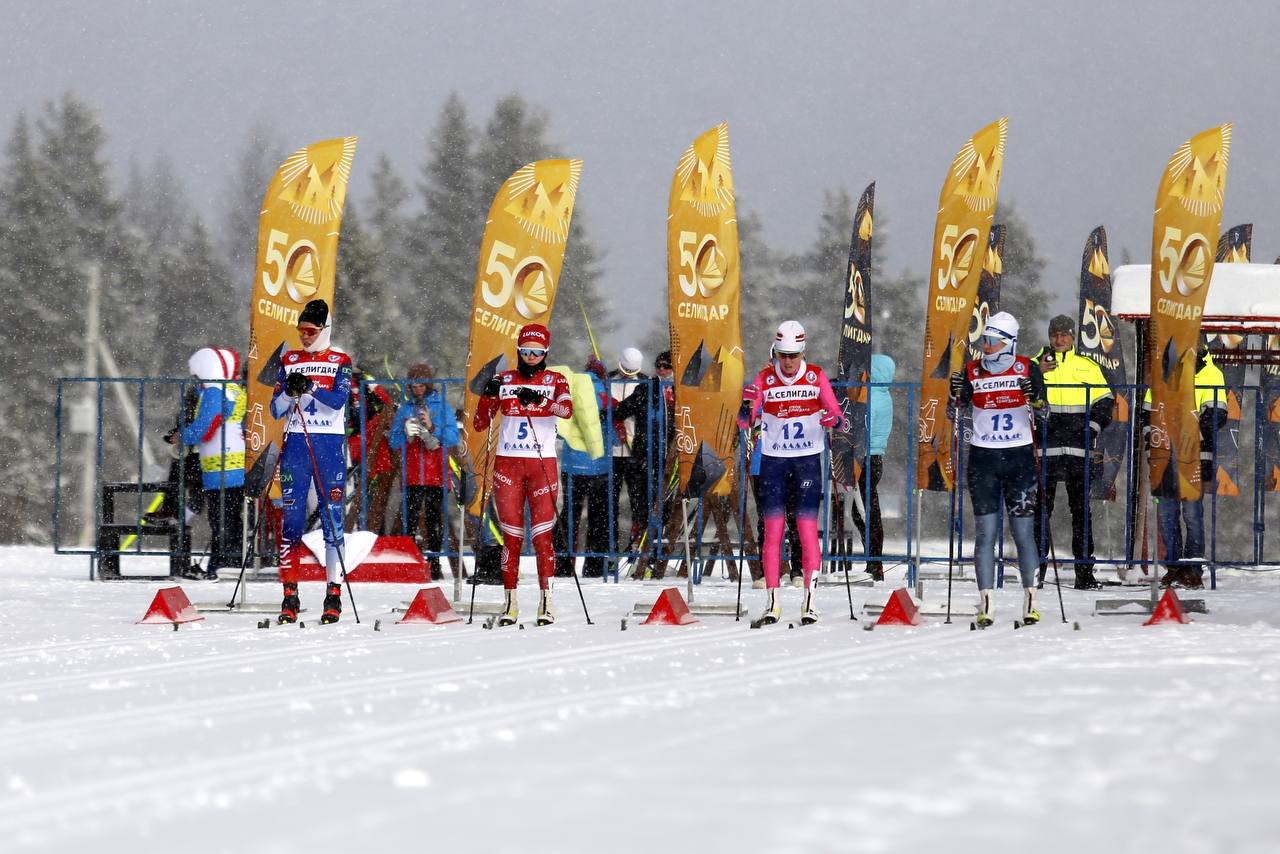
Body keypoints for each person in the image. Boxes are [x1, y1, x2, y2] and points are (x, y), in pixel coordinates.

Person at [739, 320, 843, 625]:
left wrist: (832, 420)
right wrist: (746, 405)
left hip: (806, 461)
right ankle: (772, 602)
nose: (787, 362)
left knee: (806, 528)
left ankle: (810, 602)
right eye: (782, 355)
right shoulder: (764, 378)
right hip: (774, 462)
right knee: (773, 531)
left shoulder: (815, 376)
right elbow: (744, 422)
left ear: (802, 351)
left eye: (793, 355)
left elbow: (838, 415)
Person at [950, 311, 1048, 627]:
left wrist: (1035, 398)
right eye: (984, 339)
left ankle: (1031, 601)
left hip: (1020, 460)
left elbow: (1044, 411)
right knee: (985, 536)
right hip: (984, 461)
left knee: (1023, 534)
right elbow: (956, 408)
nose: (986, 346)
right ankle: (986, 605)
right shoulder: (972, 370)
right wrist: (954, 392)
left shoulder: (1027, 368)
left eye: (992, 340)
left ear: (1008, 343)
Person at [473, 324, 573, 626]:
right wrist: (487, 397)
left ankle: (546, 602)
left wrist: (540, 401)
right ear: (518, 351)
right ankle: (510, 603)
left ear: (546, 353)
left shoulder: (556, 379)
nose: (531, 357)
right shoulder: (504, 379)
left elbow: (566, 411)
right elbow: (480, 423)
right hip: (508, 467)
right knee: (512, 538)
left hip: (541, 466)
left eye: (537, 352)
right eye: (526, 351)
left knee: (542, 537)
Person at [270, 299, 353, 625]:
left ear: (324, 330)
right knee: (290, 523)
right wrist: (288, 394)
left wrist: (311, 386)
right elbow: (275, 410)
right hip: (296, 448)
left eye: (310, 331)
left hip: (328, 448)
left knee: (332, 522)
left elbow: (337, 402)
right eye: (301, 331)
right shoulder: (289, 360)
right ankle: (290, 595)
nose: (304, 337)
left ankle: (333, 594)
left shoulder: (340, 360)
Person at [1033, 314, 1114, 589]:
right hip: (1046, 450)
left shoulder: (1087, 366)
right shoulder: (1034, 365)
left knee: (1081, 513)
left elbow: (1106, 402)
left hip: (1079, 451)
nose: (1059, 340)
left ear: (1073, 337)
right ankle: (1036, 571)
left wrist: (1092, 428)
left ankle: (1084, 573)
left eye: (1064, 335)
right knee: (1041, 512)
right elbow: (1021, 397)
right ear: (1049, 337)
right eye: (1055, 335)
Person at [1145, 342, 1227, 590]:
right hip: (1164, 454)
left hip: (1195, 454)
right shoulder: (1164, 370)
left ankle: (1192, 570)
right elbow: (1147, 412)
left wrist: (1187, 434)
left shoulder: (1212, 373)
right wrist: (1153, 437)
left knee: (1192, 514)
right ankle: (1174, 568)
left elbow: (1217, 415)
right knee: (1167, 515)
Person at [176, 347, 245, 580]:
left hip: (222, 467)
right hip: (234, 465)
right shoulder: (233, 389)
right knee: (230, 519)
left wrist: (182, 436)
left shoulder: (215, 392)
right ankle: (228, 563)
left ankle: (222, 566)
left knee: (221, 520)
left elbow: (204, 428)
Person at [388, 362, 461, 580]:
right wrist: (404, 431)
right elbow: (394, 442)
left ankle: (434, 562)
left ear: (428, 385)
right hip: (412, 474)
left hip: (436, 473)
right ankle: (410, 561)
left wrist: (431, 427)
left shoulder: (442, 407)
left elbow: (452, 438)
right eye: (414, 386)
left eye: (421, 385)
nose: (418, 390)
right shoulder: (405, 409)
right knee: (409, 520)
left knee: (433, 520)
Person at [552, 356, 609, 578]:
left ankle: (563, 563)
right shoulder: (604, 391)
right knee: (598, 517)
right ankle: (594, 566)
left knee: (570, 514)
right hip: (599, 463)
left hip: (572, 463)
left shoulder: (572, 386)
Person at [850, 353, 894, 580]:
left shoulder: (871, 398)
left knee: (864, 512)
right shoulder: (883, 395)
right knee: (866, 509)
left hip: (866, 456)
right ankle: (873, 558)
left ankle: (874, 560)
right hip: (875, 457)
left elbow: (861, 426)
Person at [609, 347, 652, 556]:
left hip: (635, 452)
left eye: (631, 371)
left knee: (638, 502)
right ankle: (610, 547)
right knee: (610, 503)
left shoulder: (646, 383)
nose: (627, 374)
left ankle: (637, 546)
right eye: (624, 370)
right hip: (611, 452)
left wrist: (620, 412)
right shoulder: (608, 379)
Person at [345, 363, 396, 533]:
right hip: (351, 448)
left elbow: (387, 406)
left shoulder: (364, 384)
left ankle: (371, 533)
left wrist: (373, 386)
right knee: (356, 496)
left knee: (371, 496)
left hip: (369, 449)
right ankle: (361, 532)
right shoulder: (339, 384)